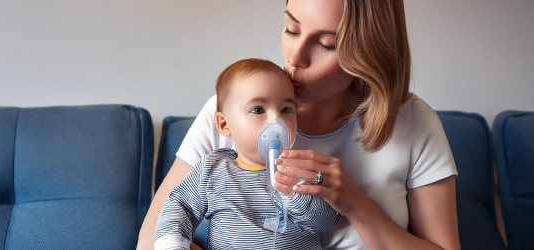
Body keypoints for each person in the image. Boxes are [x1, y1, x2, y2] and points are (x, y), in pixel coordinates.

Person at [139, 0, 461, 249]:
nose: (294, 57)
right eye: (291, 29)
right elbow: (154, 235)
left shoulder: (412, 122)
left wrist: (354, 204)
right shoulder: (233, 109)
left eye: (326, 44)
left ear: (368, 54)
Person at [153, 58, 340, 250]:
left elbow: (324, 222)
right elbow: (180, 205)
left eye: (285, 110)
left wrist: (295, 192)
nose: (276, 121)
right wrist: (172, 243)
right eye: (258, 109)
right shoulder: (213, 168)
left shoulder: (302, 170)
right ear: (224, 125)